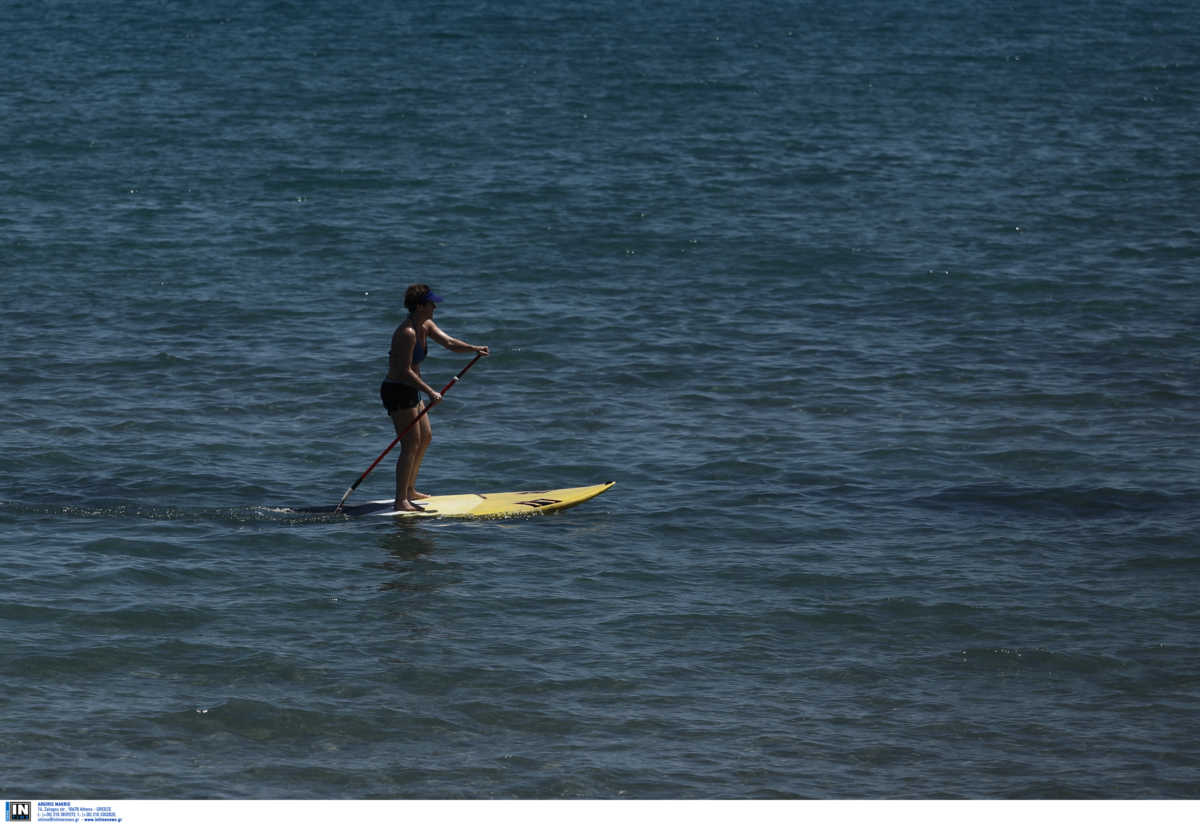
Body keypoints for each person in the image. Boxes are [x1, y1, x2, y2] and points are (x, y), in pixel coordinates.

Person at [379, 284, 489, 511]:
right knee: (410, 443)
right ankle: (401, 500)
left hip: (412, 388)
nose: (435, 307)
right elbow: (403, 371)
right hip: (397, 390)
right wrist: (430, 391)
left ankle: (410, 489)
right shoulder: (406, 333)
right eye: (431, 303)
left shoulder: (426, 325)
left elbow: (449, 343)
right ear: (419, 306)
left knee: (425, 437)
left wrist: (473, 348)